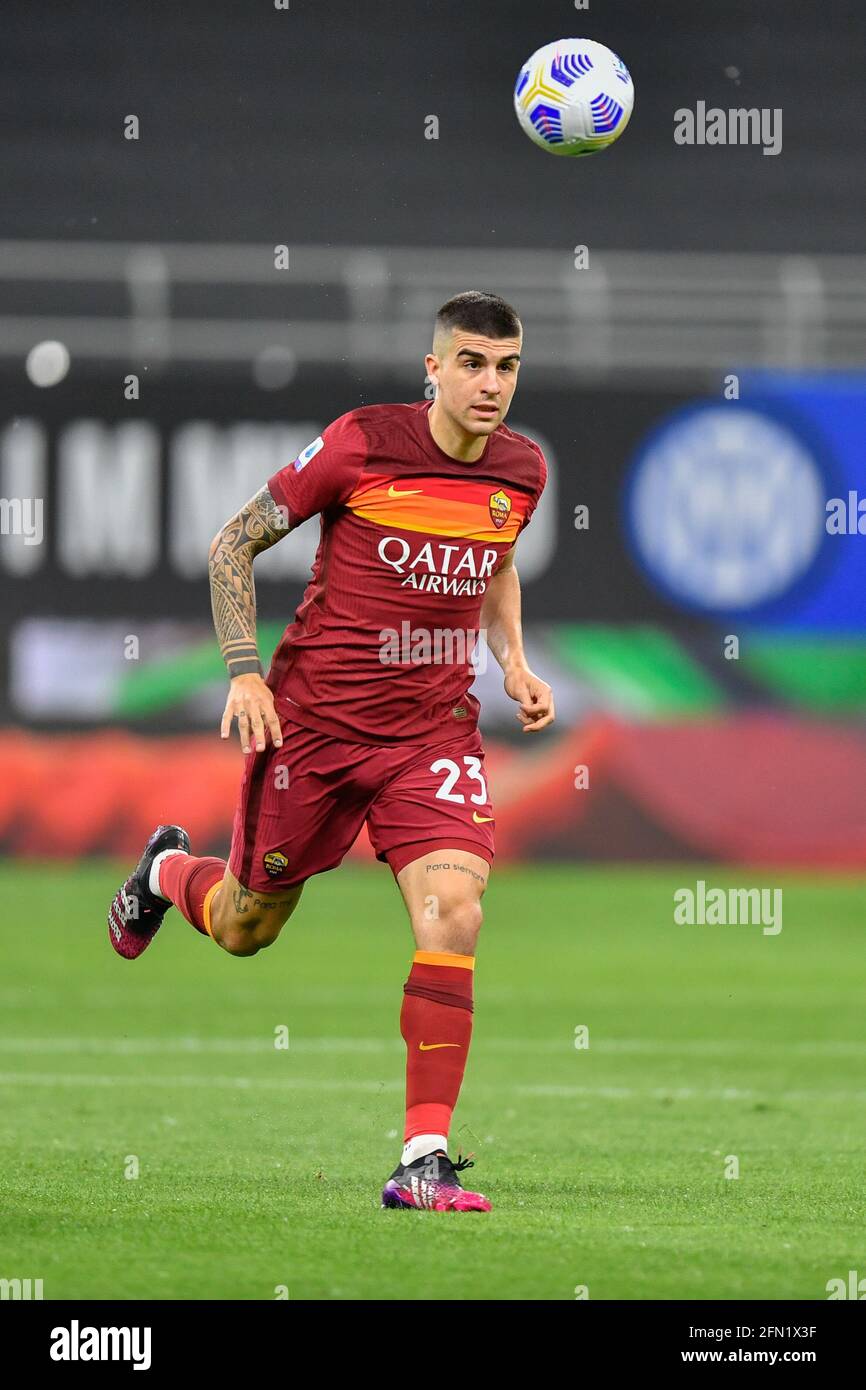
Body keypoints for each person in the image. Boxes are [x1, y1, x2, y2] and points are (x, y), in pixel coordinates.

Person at [107, 290, 554, 1212]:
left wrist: (513, 662)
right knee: (243, 927)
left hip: (431, 731)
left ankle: (421, 1160)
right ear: (431, 369)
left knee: (455, 912)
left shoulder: (522, 470)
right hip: (311, 727)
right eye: (470, 362)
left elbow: (499, 558)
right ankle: (162, 877)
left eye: (506, 366)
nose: (491, 384)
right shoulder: (361, 443)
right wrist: (242, 672)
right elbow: (233, 544)